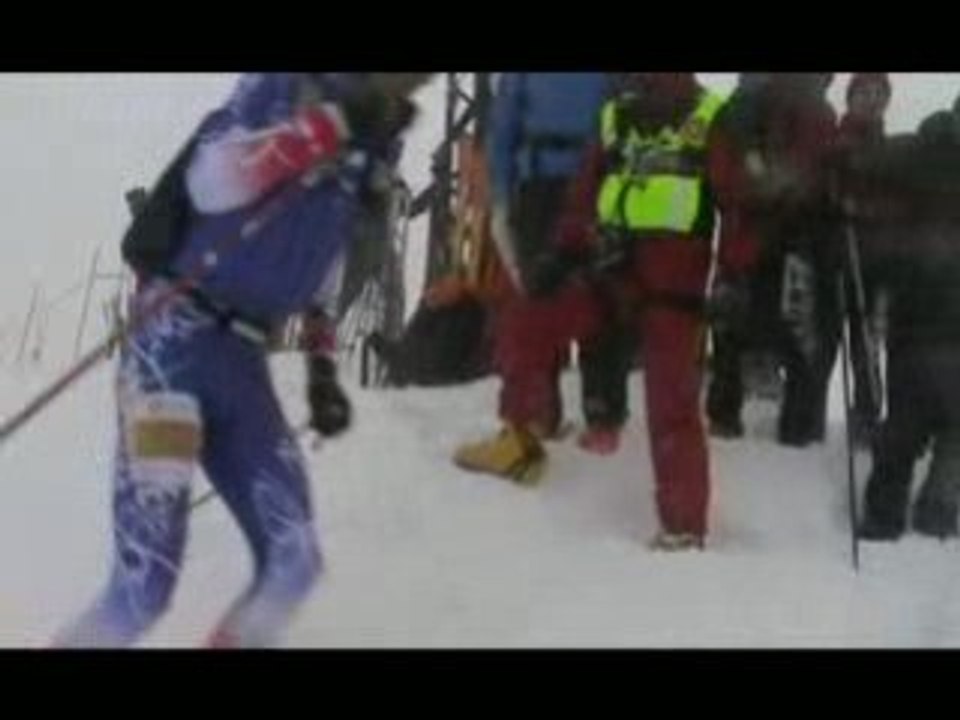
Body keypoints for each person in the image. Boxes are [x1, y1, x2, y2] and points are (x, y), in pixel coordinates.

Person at [53, 72, 431, 648]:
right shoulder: (285, 85)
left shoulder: (377, 134)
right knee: (144, 585)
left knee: (294, 561)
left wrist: (321, 366)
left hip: (243, 356)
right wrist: (331, 126)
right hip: (173, 343)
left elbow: (327, 255)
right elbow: (214, 179)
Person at [453, 73, 632, 486]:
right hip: (585, 185)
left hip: (553, 186)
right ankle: (595, 416)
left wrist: (500, 194)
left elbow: (504, 125)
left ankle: (539, 418)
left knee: (544, 299)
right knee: (593, 296)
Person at [851, 98, 960, 541]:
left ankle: (885, 515)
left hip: (914, 310)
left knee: (908, 421)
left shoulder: (913, 152)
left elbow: (862, 173)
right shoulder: (918, 155)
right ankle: (932, 511)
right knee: (944, 425)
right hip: (923, 309)